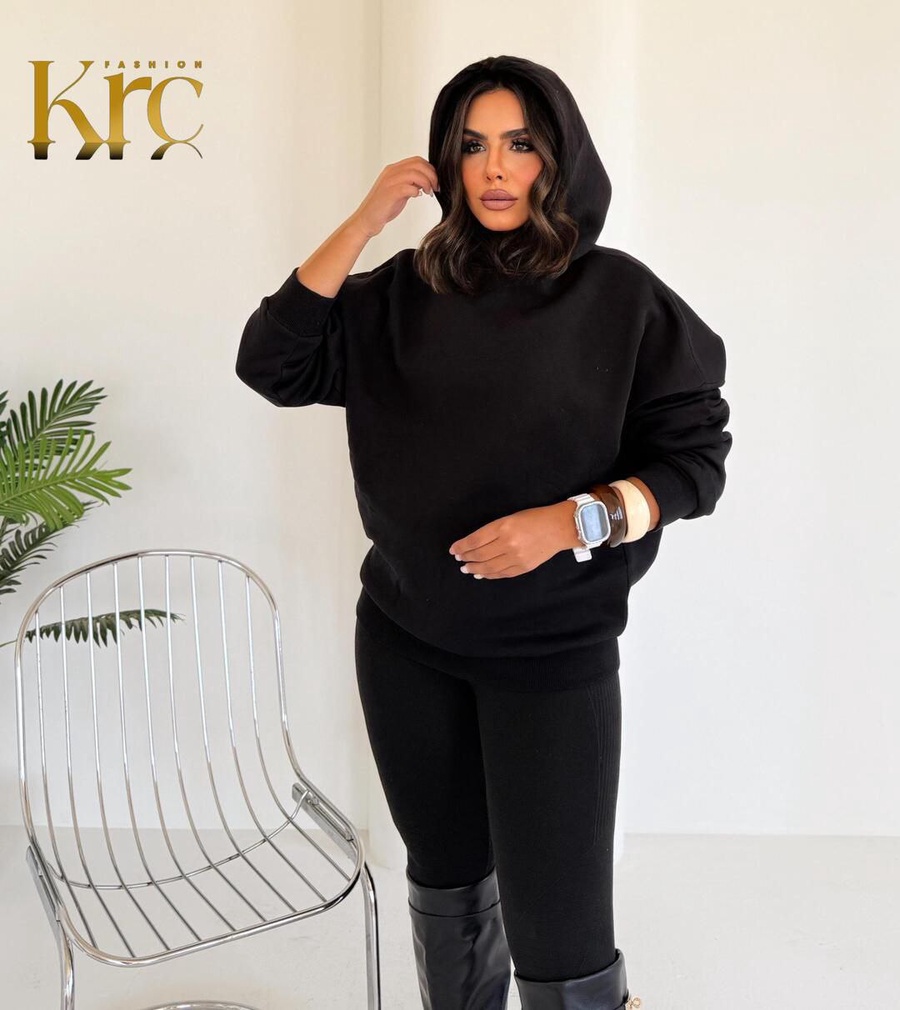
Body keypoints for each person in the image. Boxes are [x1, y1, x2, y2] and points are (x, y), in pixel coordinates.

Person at [236, 54, 731, 1010]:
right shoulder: (399, 292)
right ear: (446, 162)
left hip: (551, 662)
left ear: (559, 158)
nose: (495, 167)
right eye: (471, 146)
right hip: (406, 647)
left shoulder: (619, 298)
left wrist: (573, 520)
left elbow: (695, 465)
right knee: (447, 886)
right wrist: (362, 223)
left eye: (520, 144)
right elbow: (272, 363)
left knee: (562, 939)